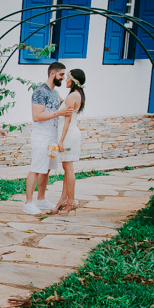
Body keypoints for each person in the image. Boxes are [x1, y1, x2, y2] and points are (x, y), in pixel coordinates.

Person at [22, 62, 73, 215]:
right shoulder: (40, 91)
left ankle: (41, 198)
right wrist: (59, 113)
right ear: (53, 74)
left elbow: (66, 104)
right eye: (61, 75)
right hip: (41, 136)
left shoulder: (55, 93)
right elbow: (37, 116)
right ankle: (28, 202)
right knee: (36, 168)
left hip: (52, 136)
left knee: (46, 169)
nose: (63, 78)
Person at [54, 68, 86, 214]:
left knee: (69, 170)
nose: (65, 80)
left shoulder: (73, 96)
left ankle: (71, 201)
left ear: (73, 80)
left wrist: (60, 141)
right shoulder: (75, 95)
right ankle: (63, 199)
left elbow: (67, 121)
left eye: (67, 78)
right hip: (70, 133)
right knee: (67, 170)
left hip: (68, 135)